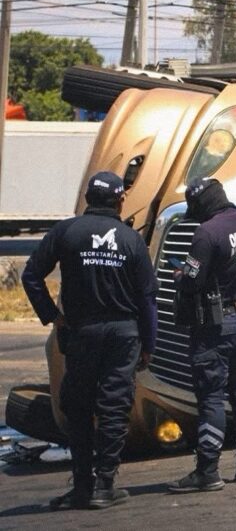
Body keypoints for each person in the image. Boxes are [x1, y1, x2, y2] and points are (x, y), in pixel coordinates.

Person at [21, 171, 158, 510]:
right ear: (119, 200)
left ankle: (84, 483)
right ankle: (105, 485)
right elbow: (147, 299)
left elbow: (31, 275)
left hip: (82, 332)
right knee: (114, 407)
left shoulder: (66, 231)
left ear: (87, 198)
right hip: (123, 334)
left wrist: (53, 315)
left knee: (77, 405)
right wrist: (149, 344)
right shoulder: (131, 240)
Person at [169, 177, 236, 493]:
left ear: (201, 205)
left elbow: (193, 282)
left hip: (216, 326)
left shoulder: (206, 233)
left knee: (211, 393)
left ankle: (208, 469)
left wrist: (181, 275)